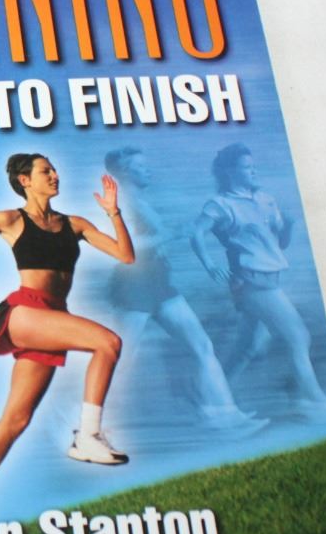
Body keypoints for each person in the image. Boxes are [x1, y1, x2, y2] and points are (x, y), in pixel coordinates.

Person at [0, 153, 135, 527]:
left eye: (54, 169)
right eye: (45, 171)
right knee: (108, 343)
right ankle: (88, 436)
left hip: (53, 317)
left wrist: (113, 212)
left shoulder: (74, 224)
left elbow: (125, 255)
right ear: (25, 180)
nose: (55, 175)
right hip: (25, 311)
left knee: (15, 419)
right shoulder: (11, 219)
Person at [101, 146, 261, 433]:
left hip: (158, 282)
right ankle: (82, 417)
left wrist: (173, 234)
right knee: (120, 358)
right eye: (140, 166)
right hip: (133, 286)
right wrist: (174, 233)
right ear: (124, 172)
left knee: (202, 346)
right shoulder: (119, 203)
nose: (148, 170)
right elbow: (122, 248)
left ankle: (221, 414)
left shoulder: (138, 201)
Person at [189, 143, 326, 419]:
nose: (253, 171)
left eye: (253, 166)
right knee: (298, 337)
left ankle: (213, 402)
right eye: (246, 167)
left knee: (249, 346)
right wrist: (210, 265)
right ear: (229, 171)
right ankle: (314, 403)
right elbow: (196, 232)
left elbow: (279, 244)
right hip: (251, 282)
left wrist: (290, 226)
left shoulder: (265, 200)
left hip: (271, 279)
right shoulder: (221, 204)